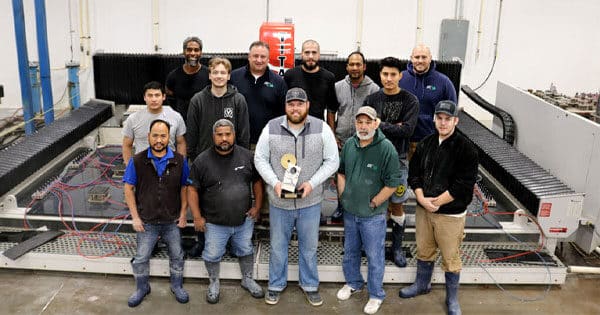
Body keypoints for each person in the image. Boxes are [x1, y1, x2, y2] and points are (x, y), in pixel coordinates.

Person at [254, 87, 339, 307]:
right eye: (291, 104)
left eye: (299, 104)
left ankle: (310, 285)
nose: (295, 108)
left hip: (310, 202)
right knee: (278, 245)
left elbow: (332, 161)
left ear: (308, 105)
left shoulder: (322, 128)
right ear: (285, 106)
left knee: (309, 247)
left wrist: (312, 183)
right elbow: (260, 159)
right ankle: (275, 284)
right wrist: (275, 183)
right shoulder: (271, 127)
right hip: (279, 202)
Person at [401, 100, 478, 315]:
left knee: (450, 257)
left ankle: (452, 299)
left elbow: (463, 185)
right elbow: (413, 174)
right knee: (424, 250)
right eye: (440, 118)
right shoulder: (425, 143)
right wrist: (421, 198)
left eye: (448, 119)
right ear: (435, 119)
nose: (443, 123)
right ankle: (422, 284)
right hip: (424, 209)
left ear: (456, 121)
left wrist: (435, 202)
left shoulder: (466, 149)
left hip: (450, 215)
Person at [188, 119, 264, 304]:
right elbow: (191, 190)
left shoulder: (247, 156)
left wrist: (258, 207)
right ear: (213, 136)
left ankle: (247, 279)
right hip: (214, 223)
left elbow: (257, 182)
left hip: (243, 220)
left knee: (245, 249)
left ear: (234, 135)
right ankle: (213, 282)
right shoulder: (202, 161)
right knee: (212, 254)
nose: (224, 138)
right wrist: (197, 217)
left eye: (227, 134)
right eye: (220, 134)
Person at [336, 106, 401, 315]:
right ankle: (353, 282)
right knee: (351, 252)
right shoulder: (349, 145)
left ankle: (376, 294)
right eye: (359, 122)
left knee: (375, 256)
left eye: (367, 122)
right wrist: (343, 196)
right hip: (350, 212)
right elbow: (342, 173)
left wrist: (374, 203)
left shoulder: (386, 149)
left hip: (373, 216)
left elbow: (392, 184)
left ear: (375, 123)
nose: (363, 127)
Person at [123, 119, 190, 307]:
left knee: (177, 254)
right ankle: (142, 288)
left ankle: (177, 286)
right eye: (155, 135)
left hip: (172, 221)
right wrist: (135, 217)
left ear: (169, 137)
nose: (159, 140)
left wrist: (184, 213)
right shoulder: (137, 161)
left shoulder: (180, 161)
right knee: (141, 258)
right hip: (147, 222)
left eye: (163, 135)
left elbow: (185, 188)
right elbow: (128, 189)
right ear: (148, 137)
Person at [363, 57, 419, 268]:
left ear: (400, 76)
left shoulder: (410, 100)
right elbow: (365, 127)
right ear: (380, 75)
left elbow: (407, 130)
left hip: (398, 160)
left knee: (397, 204)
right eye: (385, 74)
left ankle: (396, 248)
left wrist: (380, 124)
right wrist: (391, 125)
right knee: (374, 203)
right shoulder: (371, 99)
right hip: (373, 159)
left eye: (393, 74)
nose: (389, 78)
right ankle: (373, 247)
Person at [186, 57, 250, 162]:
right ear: (210, 75)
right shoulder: (197, 100)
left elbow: (244, 134)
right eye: (215, 72)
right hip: (204, 160)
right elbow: (192, 133)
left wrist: (242, 158)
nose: (219, 76)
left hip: (232, 160)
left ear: (228, 76)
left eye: (223, 73)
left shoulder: (238, 100)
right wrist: (194, 159)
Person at [399, 44, 457, 159]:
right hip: (403, 143)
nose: (420, 61)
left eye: (424, 57)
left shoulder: (444, 82)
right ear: (411, 58)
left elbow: (452, 112)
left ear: (430, 58)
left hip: (431, 142)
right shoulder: (400, 79)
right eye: (417, 57)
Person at [230, 41, 287, 146]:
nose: (259, 60)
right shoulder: (234, 77)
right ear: (249, 57)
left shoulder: (278, 82)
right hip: (237, 144)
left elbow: (283, 115)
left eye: (263, 56)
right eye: (255, 56)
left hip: (267, 144)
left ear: (268, 59)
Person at [122, 81, 186, 166]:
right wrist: (129, 167)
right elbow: (127, 145)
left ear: (163, 97)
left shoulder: (176, 117)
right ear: (144, 97)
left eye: (157, 95)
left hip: (168, 166)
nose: (154, 99)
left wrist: (180, 166)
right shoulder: (133, 119)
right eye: (150, 95)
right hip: (142, 167)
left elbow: (181, 143)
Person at [284, 39, 338, 131]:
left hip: (318, 129)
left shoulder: (329, 77)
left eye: (314, 52)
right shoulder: (290, 75)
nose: (310, 56)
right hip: (293, 129)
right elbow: (284, 105)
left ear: (319, 54)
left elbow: (331, 109)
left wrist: (331, 134)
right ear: (302, 54)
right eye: (307, 52)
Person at [335, 51, 380, 149]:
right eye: (351, 64)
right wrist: (333, 135)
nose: (355, 68)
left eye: (358, 64)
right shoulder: (337, 87)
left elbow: (377, 118)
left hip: (365, 142)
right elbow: (331, 112)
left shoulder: (374, 89)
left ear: (364, 67)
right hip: (340, 143)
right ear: (347, 67)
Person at [165, 36, 210, 123]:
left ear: (201, 52)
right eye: (189, 50)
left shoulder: (209, 75)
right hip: (181, 122)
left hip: (203, 122)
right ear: (184, 52)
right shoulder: (173, 76)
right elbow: (169, 98)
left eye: (196, 50)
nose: (193, 53)